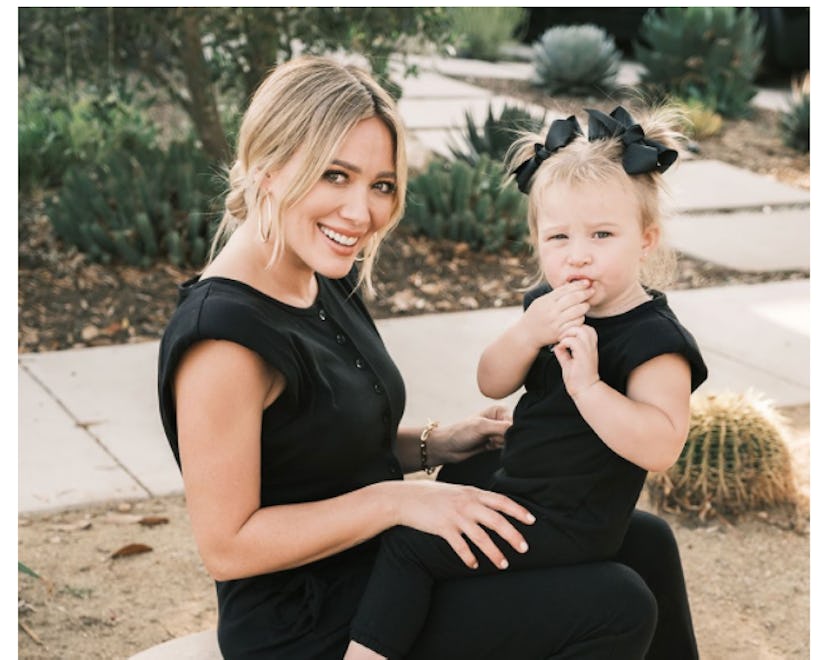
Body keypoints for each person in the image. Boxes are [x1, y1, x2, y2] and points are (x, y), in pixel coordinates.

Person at [156, 55, 696, 659]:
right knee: (616, 603)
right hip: (309, 615)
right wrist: (398, 502)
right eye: (334, 175)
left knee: (644, 541)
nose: (361, 212)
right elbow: (228, 547)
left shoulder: (321, 278)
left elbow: (313, 452)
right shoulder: (224, 341)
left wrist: (437, 444)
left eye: (381, 185)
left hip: (377, 556)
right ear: (268, 169)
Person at [346, 106, 708, 660]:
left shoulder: (653, 340)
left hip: (568, 518)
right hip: (528, 486)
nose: (578, 254)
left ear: (646, 239)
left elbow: (660, 446)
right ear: (537, 241)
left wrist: (589, 389)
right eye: (558, 236)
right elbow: (491, 382)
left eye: (602, 234)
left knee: (410, 545)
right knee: (458, 477)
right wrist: (527, 333)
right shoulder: (548, 308)